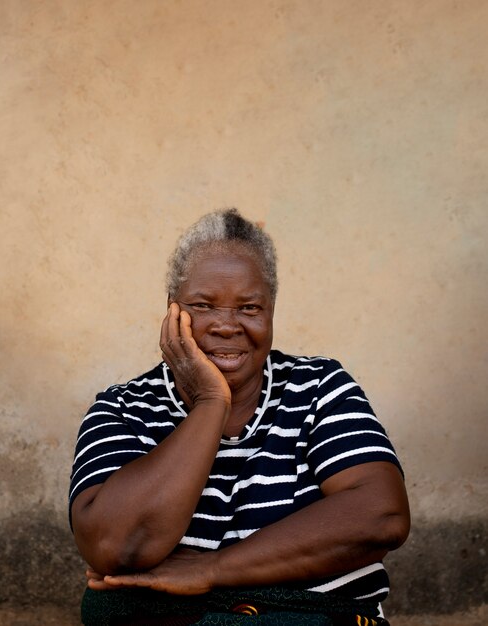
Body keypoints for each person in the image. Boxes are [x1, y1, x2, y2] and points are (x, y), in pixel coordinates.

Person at [69, 209, 410, 626]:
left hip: (309, 616)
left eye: (249, 307)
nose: (228, 326)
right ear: (172, 311)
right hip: (190, 617)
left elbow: (382, 516)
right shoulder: (123, 409)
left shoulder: (320, 386)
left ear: (271, 312)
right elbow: (115, 547)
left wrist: (212, 569)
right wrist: (211, 403)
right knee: (113, 607)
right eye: (203, 305)